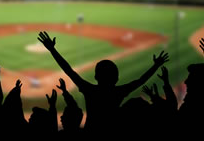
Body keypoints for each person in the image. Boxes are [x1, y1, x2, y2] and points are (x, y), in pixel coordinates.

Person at [38, 31, 169, 132]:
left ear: (96, 77)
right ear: (116, 78)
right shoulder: (119, 92)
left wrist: (52, 49)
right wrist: (156, 65)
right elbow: (141, 80)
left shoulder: (89, 90)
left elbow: (68, 70)